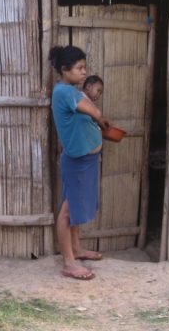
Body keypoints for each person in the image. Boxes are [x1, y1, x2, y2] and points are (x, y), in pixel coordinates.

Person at [49, 46, 111, 281]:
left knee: (73, 207)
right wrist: (101, 118)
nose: (84, 72)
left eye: (85, 67)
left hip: (84, 159)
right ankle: (69, 263)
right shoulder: (65, 92)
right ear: (65, 70)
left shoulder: (69, 90)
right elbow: (92, 111)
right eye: (79, 68)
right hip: (78, 161)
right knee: (66, 211)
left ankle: (76, 250)